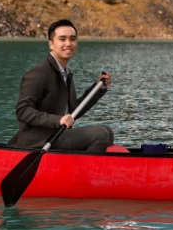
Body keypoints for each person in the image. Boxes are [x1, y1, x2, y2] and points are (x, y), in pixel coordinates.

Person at [10, 18, 114, 152]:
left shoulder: (65, 73)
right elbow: (23, 111)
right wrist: (58, 120)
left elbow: (74, 111)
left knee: (107, 132)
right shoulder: (38, 73)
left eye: (72, 39)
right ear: (51, 44)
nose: (68, 43)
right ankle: (83, 171)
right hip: (39, 140)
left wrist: (98, 88)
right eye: (62, 39)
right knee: (100, 134)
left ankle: (80, 164)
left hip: (57, 134)